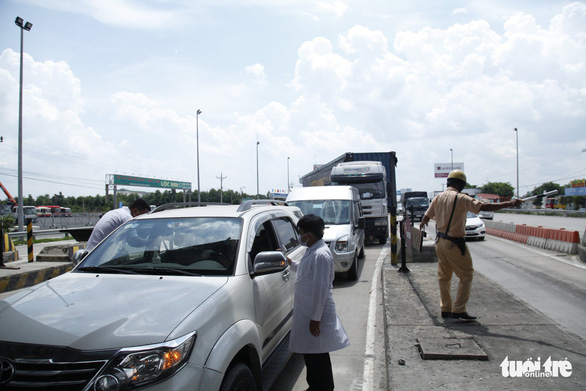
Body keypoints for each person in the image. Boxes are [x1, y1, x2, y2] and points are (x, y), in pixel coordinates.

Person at [419, 170, 522, 321]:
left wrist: (424, 223)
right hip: (454, 243)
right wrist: (510, 203)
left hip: (440, 242)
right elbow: (483, 207)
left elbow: (426, 216)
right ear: (461, 185)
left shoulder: (438, 197)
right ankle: (459, 310)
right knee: (466, 275)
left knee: (444, 277)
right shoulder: (461, 198)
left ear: (448, 182)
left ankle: (445, 309)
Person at [288, 214, 350, 391]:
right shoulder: (313, 250)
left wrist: (315, 318)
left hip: (316, 315)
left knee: (318, 357)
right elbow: (305, 270)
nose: (299, 236)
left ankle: (322, 388)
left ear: (309, 234)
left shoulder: (321, 254)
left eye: (300, 232)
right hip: (309, 313)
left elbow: (321, 288)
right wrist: (290, 263)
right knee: (312, 355)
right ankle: (315, 386)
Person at [85, 198, 151, 251]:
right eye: (143, 215)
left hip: (93, 252)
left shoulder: (120, 212)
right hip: (96, 255)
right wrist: (149, 242)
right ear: (135, 211)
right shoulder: (127, 218)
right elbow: (133, 240)